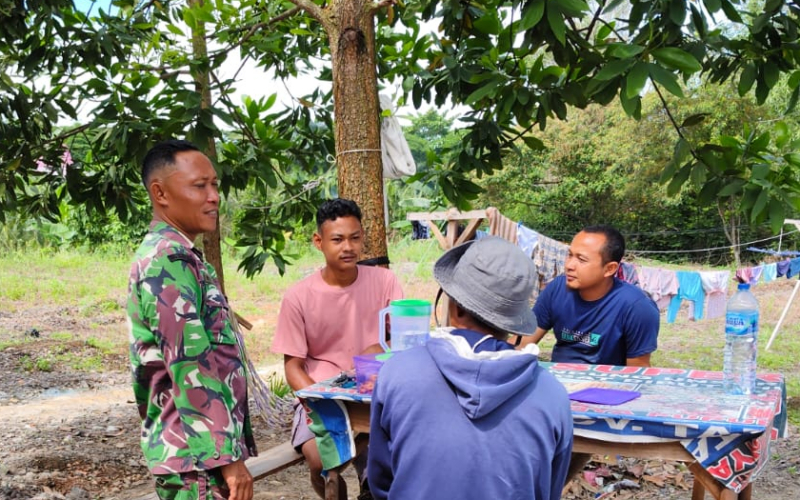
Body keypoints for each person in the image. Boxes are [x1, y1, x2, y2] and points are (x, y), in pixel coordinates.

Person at [368, 236, 574, 500]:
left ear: (454, 306)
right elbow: (548, 487)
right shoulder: (552, 394)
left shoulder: (397, 373)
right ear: (513, 321)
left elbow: (381, 481)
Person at [127, 139, 256, 500]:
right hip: (196, 459)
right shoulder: (166, 259)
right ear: (160, 193)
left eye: (215, 184)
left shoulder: (181, 255)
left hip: (199, 454)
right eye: (199, 186)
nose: (213, 196)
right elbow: (189, 362)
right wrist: (226, 458)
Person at [271, 198, 403, 500]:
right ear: (319, 241)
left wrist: (378, 348)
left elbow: (403, 340)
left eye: (355, 238)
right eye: (338, 239)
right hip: (320, 394)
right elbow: (293, 366)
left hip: (375, 393)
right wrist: (316, 401)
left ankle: (372, 490)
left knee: (387, 457)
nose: (348, 247)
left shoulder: (385, 281)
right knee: (320, 460)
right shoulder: (298, 296)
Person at [522, 225, 659, 367]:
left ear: (609, 269)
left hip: (607, 385)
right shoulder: (556, 289)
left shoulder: (637, 306)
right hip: (560, 381)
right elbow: (522, 342)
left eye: (581, 260)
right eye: (570, 255)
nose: (569, 265)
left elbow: (637, 372)